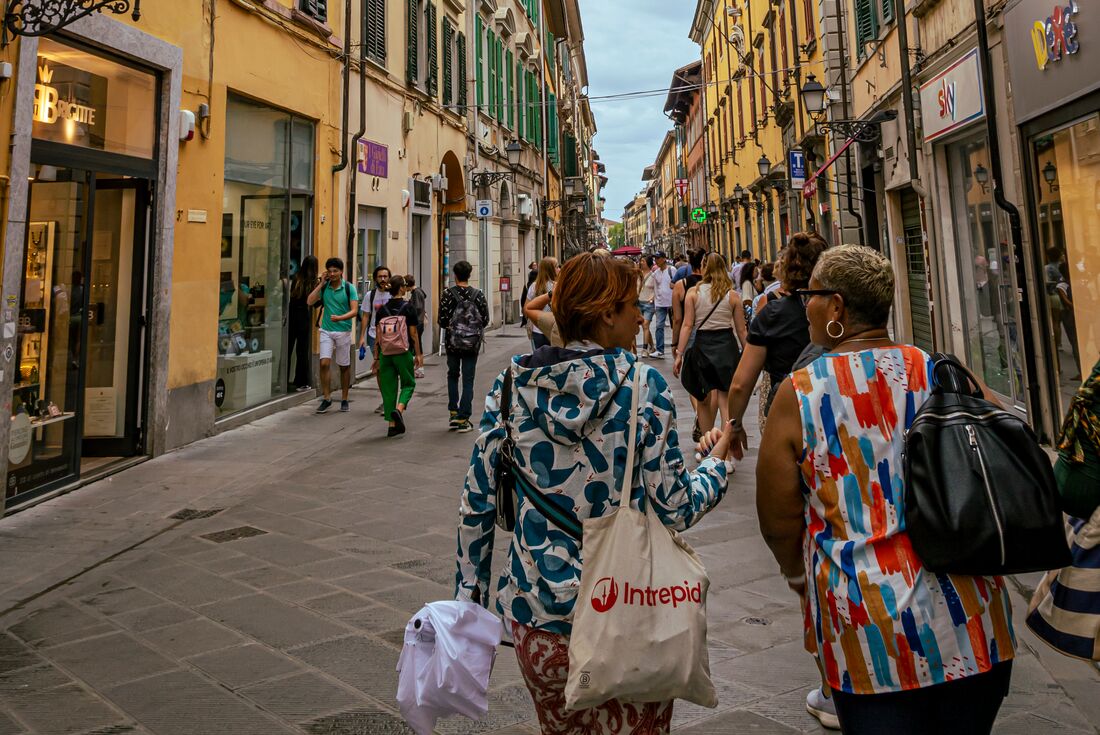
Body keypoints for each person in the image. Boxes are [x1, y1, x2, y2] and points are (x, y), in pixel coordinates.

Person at [456, 252, 736, 734]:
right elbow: (677, 505)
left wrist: (469, 600)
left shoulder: (509, 386)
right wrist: (717, 464)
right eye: (630, 306)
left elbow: (477, 502)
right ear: (606, 313)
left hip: (536, 615)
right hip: (626, 612)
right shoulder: (644, 386)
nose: (637, 318)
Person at [757, 244, 1016, 733]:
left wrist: (800, 576)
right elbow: (1002, 432)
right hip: (973, 622)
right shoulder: (938, 369)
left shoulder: (801, 391)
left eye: (809, 294)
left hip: (868, 634)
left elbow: (777, 518)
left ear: (836, 307)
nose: (802, 304)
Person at [726, 232, 829, 443]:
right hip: (836, 411)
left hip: (789, 413)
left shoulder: (772, 313)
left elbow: (739, 385)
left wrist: (734, 427)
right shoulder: (838, 308)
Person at [674, 252, 747, 439]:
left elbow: (687, 325)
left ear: (704, 267)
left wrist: (679, 354)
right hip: (726, 347)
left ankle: (708, 447)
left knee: (703, 400)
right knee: (725, 401)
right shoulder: (732, 296)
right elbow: (741, 330)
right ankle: (726, 453)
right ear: (724, 268)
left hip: (703, 346)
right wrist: (748, 355)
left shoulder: (693, 293)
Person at [439, 261, 489, 433]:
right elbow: (485, 319)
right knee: (468, 379)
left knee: (453, 375)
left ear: (455, 274)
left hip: (452, 343)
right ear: (470, 274)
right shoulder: (478, 295)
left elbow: (442, 320)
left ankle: (453, 412)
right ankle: (463, 417)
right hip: (471, 344)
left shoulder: (447, 294)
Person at [372, 275, 423, 437]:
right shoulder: (408, 308)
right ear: (402, 288)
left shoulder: (381, 309)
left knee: (388, 389)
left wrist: (376, 358)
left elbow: (378, 336)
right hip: (403, 352)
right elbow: (413, 334)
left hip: (386, 353)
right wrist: (419, 354)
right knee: (408, 383)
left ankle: (392, 426)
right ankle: (399, 410)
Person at [307, 257, 359, 413]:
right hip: (326, 330)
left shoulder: (349, 288)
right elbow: (309, 301)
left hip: (343, 330)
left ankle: (344, 398)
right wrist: (321, 283)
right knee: (324, 363)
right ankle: (327, 398)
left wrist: (340, 318)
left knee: (344, 366)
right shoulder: (325, 287)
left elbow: (355, 310)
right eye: (329, 271)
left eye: (335, 271)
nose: (332, 274)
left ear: (341, 272)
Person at [358, 265, 392, 413]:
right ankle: (386, 400)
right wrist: (361, 337)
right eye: (380, 276)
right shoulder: (370, 296)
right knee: (379, 369)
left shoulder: (394, 294)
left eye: (385, 276)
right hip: (374, 336)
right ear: (375, 278)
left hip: (392, 337)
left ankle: (390, 400)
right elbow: (365, 316)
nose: (383, 279)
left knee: (390, 369)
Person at [287, 255, 317, 392]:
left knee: (287, 349)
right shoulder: (313, 283)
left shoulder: (296, 280)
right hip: (304, 317)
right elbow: (315, 303)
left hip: (292, 315)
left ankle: (283, 379)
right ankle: (301, 381)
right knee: (302, 351)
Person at [671, 248, 705, 358]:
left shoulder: (680, 285)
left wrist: (675, 343)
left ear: (689, 263)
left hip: (687, 334)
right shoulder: (713, 284)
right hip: (710, 333)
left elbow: (677, 319)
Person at [527, 257, 558, 350]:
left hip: (537, 328)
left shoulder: (534, 286)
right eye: (556, 267)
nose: (559, 269)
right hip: (554, 329)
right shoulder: (557, 286)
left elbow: (526, 308)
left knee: (540, 359)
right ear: (551, 269)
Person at [650, 251, 674, 358]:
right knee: (659, 326)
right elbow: (655, 288)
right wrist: (655, 303)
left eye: (658, 258)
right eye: (655, 258)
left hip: (672, 303)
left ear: (664, 259)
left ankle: (677, 347)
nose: (656, 260)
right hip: (660, 303)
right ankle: (660, 350)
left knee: (675, 326)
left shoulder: (672, 270)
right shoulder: (656, 273)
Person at [404, 274, 428, 379]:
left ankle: (419, 368)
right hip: (419, 321)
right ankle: (417, 367)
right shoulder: (418, 292)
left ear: (408, 285)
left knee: (416, 344)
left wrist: (408, 304)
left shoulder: (416, 293)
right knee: (416, 344)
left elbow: (417, 307)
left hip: (417, 321)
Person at [637, 255, 657, 357]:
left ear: (648, 263)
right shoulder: (638, 275)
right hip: (639, 303)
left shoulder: (653, 276)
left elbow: (656, 289)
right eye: (641, 261)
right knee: (645, 327)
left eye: (643, 261)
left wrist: (652, 298)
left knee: (645, 326)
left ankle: (644, 349)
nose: (641, 262)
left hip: (649, 304)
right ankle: (652, 347)